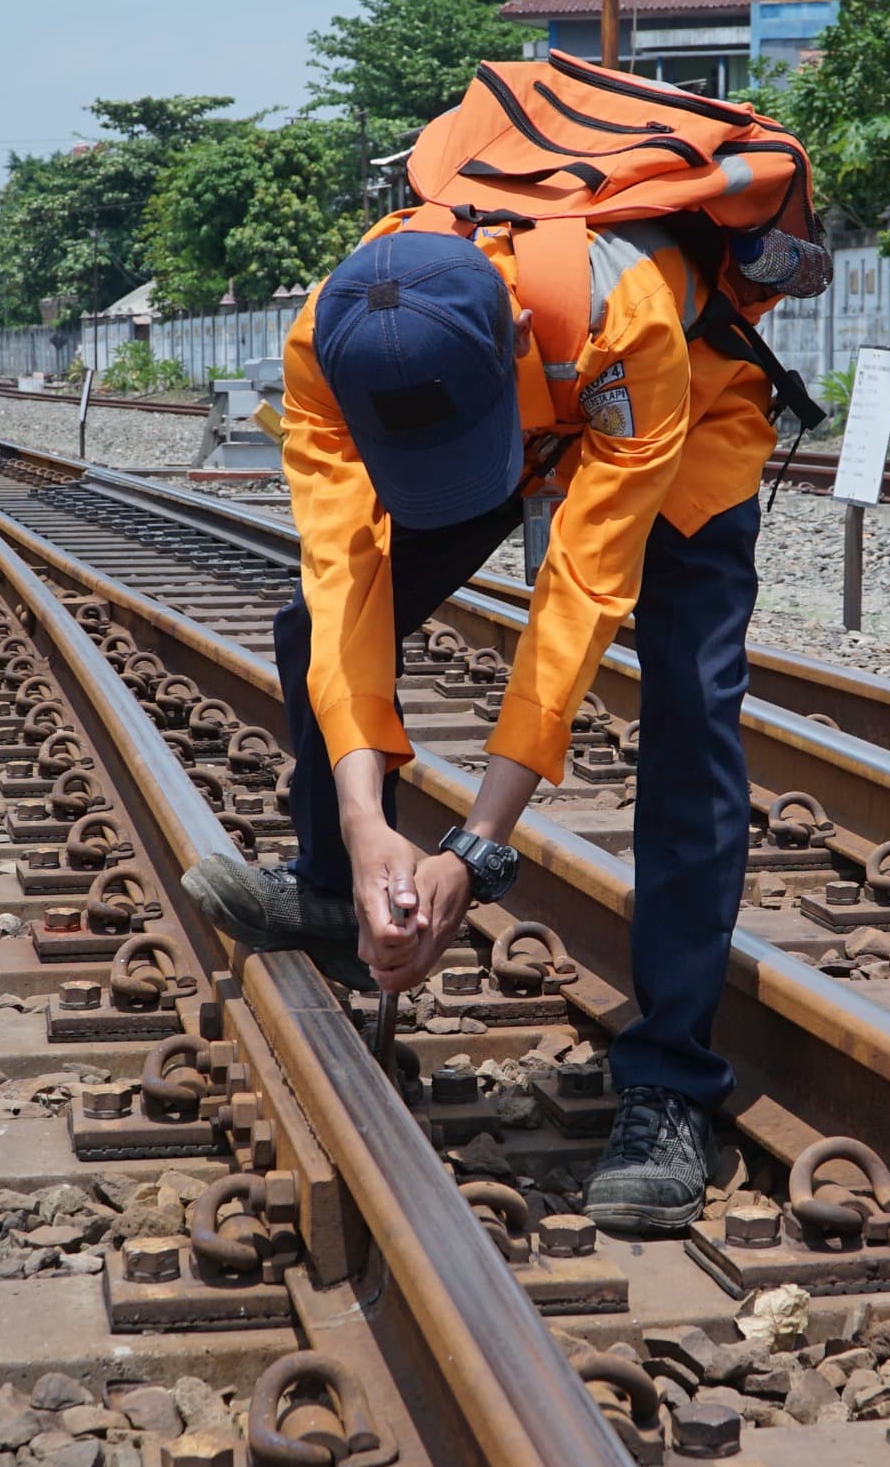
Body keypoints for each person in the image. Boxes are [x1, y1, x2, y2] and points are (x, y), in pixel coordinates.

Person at [184, 61, 827, 1235]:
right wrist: (380, 827)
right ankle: (336, 886)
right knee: (300, 626)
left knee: (690, 712)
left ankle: (672, 1078)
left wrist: (474, 851)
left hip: (673, 415)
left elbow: (576, 604)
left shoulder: (623, 314)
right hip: (516, 405)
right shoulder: (324, 345)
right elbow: (343, 584)